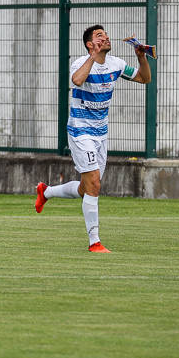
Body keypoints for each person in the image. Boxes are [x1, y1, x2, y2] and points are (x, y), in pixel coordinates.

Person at [34, 24, 151, 252]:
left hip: (101, 134)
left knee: (87, 188)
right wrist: (92, 57)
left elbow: (144, 79)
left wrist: (141, 58)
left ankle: (45, 191)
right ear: (90, 44)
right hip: (80, 131)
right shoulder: (80, 63)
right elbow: (77, 80)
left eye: (105, 34)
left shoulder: (116, 64)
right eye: (99, 36)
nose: (106, 37)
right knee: (94, 184)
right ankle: (94, 243)